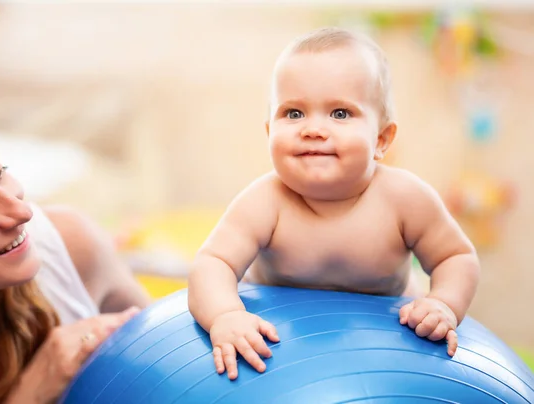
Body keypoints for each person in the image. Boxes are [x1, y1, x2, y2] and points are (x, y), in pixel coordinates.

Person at [187, 27, 480, 381]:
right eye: (293, 113)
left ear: (381, 139)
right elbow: (212, 262)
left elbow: (456, 257)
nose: (313, 129)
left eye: (340, 114)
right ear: (269, 133)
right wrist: (225, 315)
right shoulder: (265, 201)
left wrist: (443, 304)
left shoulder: (405, 198)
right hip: (284, 344)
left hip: (386, 341)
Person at [0, 91, 152, 404]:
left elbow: (173, 350)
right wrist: (30, 395)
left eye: (0, 171)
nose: (22, 211)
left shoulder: (69, 247)